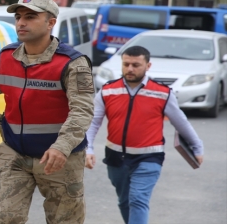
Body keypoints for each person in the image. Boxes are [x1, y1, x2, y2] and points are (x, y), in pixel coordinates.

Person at [0, 0, 94, 224]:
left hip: (59, 159)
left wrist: (61, 147)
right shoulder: (6, 56)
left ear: (51, 22)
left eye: (31, 17)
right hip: (14, 153)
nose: (21, 22)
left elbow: (82, 111)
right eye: (18, 17)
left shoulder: (72, 63)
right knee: (3, 218)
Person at [85, 45, 203, 224]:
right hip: (116, 158)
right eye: (126, 64)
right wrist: (89, 148)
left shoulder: (162, 93)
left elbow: (181, 122)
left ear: (148, 66)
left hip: (149, 157)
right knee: (125, 202)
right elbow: (93, 122)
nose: (130, 69)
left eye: (135, 65)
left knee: (138, 200)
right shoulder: (108, 90)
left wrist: (197, 147)